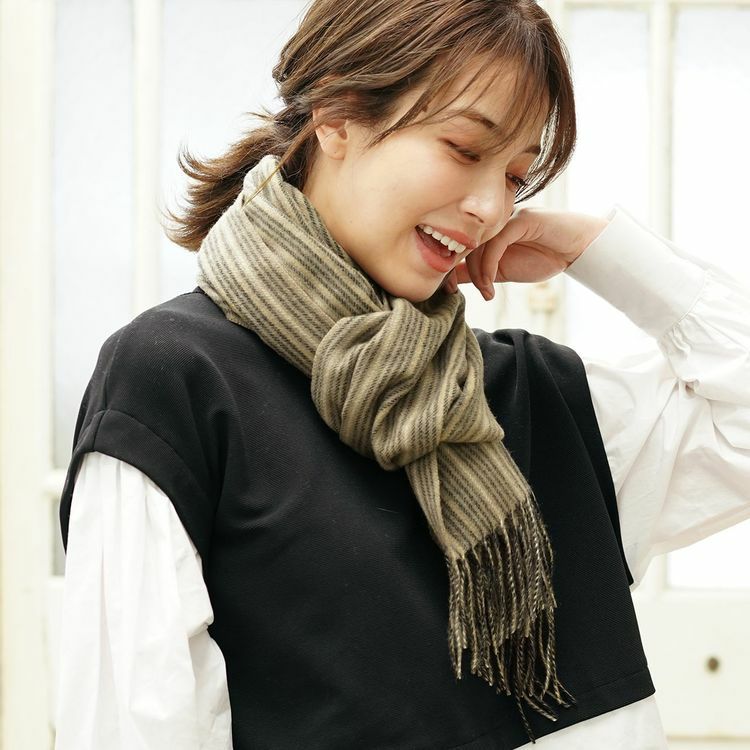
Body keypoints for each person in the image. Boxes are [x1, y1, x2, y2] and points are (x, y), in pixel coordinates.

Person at [55, 0, 750, 748]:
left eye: (516, 176)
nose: (490, 207)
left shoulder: (530, 398)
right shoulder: (178, 381)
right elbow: (133, 726)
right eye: (463, 148)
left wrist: (598, 250)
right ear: (338, 116)